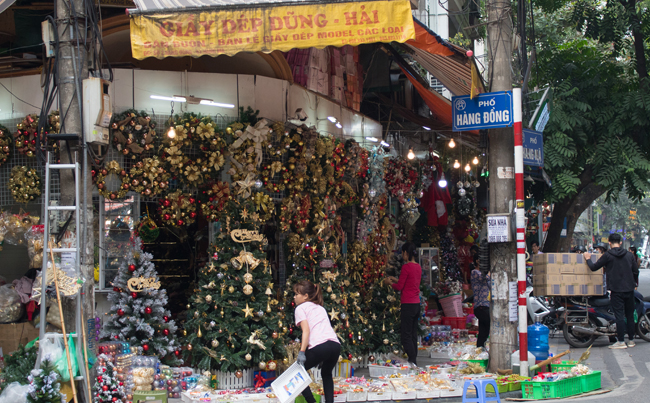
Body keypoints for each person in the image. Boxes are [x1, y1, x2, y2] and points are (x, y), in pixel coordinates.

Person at [585, 233, 639, 349]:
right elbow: (636, 271)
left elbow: (594, 267)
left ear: (609, 242)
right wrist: (634, 283)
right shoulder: (629, 255)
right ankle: (631, 340)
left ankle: (620, 341)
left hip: (616, 290)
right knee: (629, 315)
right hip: (629, 289)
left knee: (619, 315)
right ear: (620, 242)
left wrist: (588, 258)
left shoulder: (607, 255)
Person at [294, 280, 341, 403]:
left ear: (305, 296)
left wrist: (302, 351)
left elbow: (306, 331)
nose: (294, 297)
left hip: (320, 346)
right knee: (326, 373)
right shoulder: (320, 308)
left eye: (296, 294)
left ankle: (311, 401)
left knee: (298, 373)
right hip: (335, 345)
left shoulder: (300, 308)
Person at [384, 242, 422, 365]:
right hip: (416, 304)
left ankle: (412, 360)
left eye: (403, 253)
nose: (402, 255)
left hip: (408, 303)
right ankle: (414, 360)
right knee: (413, 334)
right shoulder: (418, 267)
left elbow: (400, 286)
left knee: (405, 335)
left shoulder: (406, 267)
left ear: (406, 253)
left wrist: (389, 283)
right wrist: (395, 279)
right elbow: (408, 282)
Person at [471, 262, 491, 348]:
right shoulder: (474, 272)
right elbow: (485, 278)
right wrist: (491, 272)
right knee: (487, 327)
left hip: (486, 305)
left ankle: (480, 348)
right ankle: (482, 347)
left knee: (483, 331)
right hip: (481, 305)